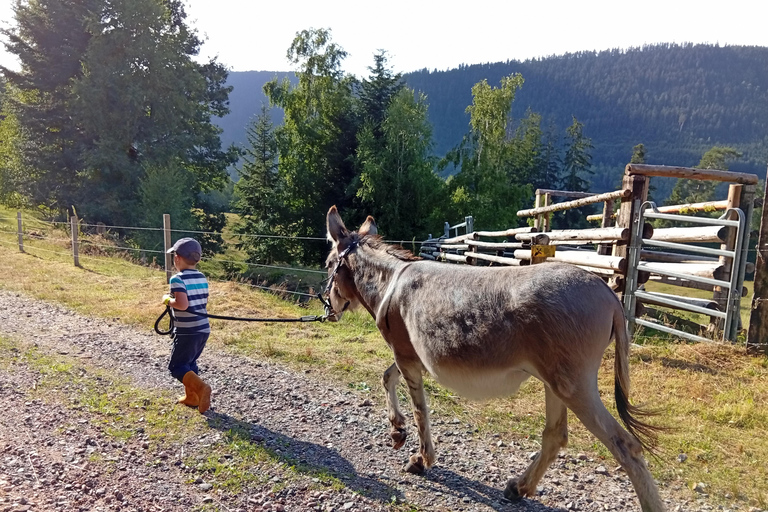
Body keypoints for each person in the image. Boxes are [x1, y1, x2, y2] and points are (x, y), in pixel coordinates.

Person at [161, 237, 212, 414]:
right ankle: (192, 398)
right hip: (203, 329)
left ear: (177, 258)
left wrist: (168, 300)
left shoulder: (177, 279)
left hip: (187, 330)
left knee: (177, 366)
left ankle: (201, 388)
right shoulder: (202, 277)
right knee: (190, 362)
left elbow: (182, 305)